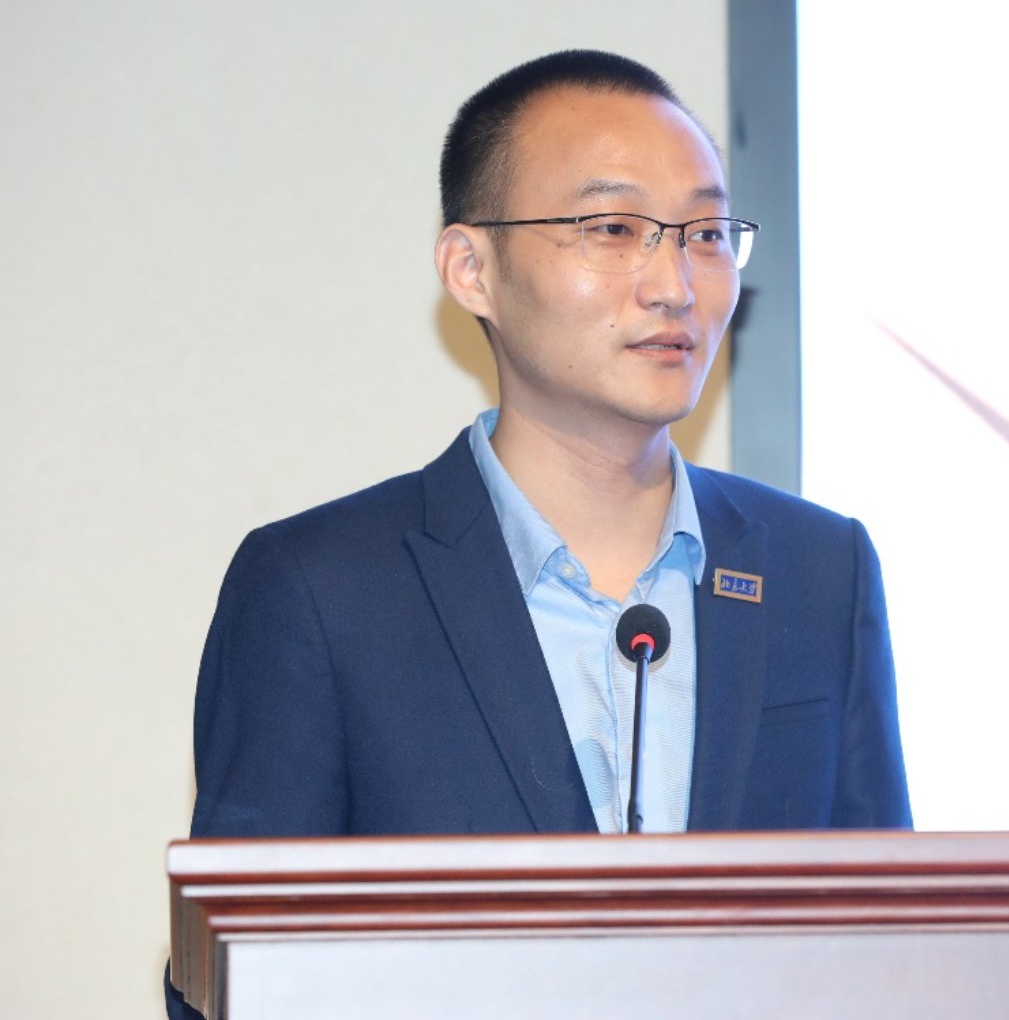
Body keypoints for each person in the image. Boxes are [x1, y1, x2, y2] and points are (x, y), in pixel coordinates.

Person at [166, 50, 910, 1017]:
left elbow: (893, 949)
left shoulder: (819, 569)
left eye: (706, 234)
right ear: (472, 269)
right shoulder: (321, 589)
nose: (675, 285)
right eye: (614, 229)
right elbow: (233, 984)